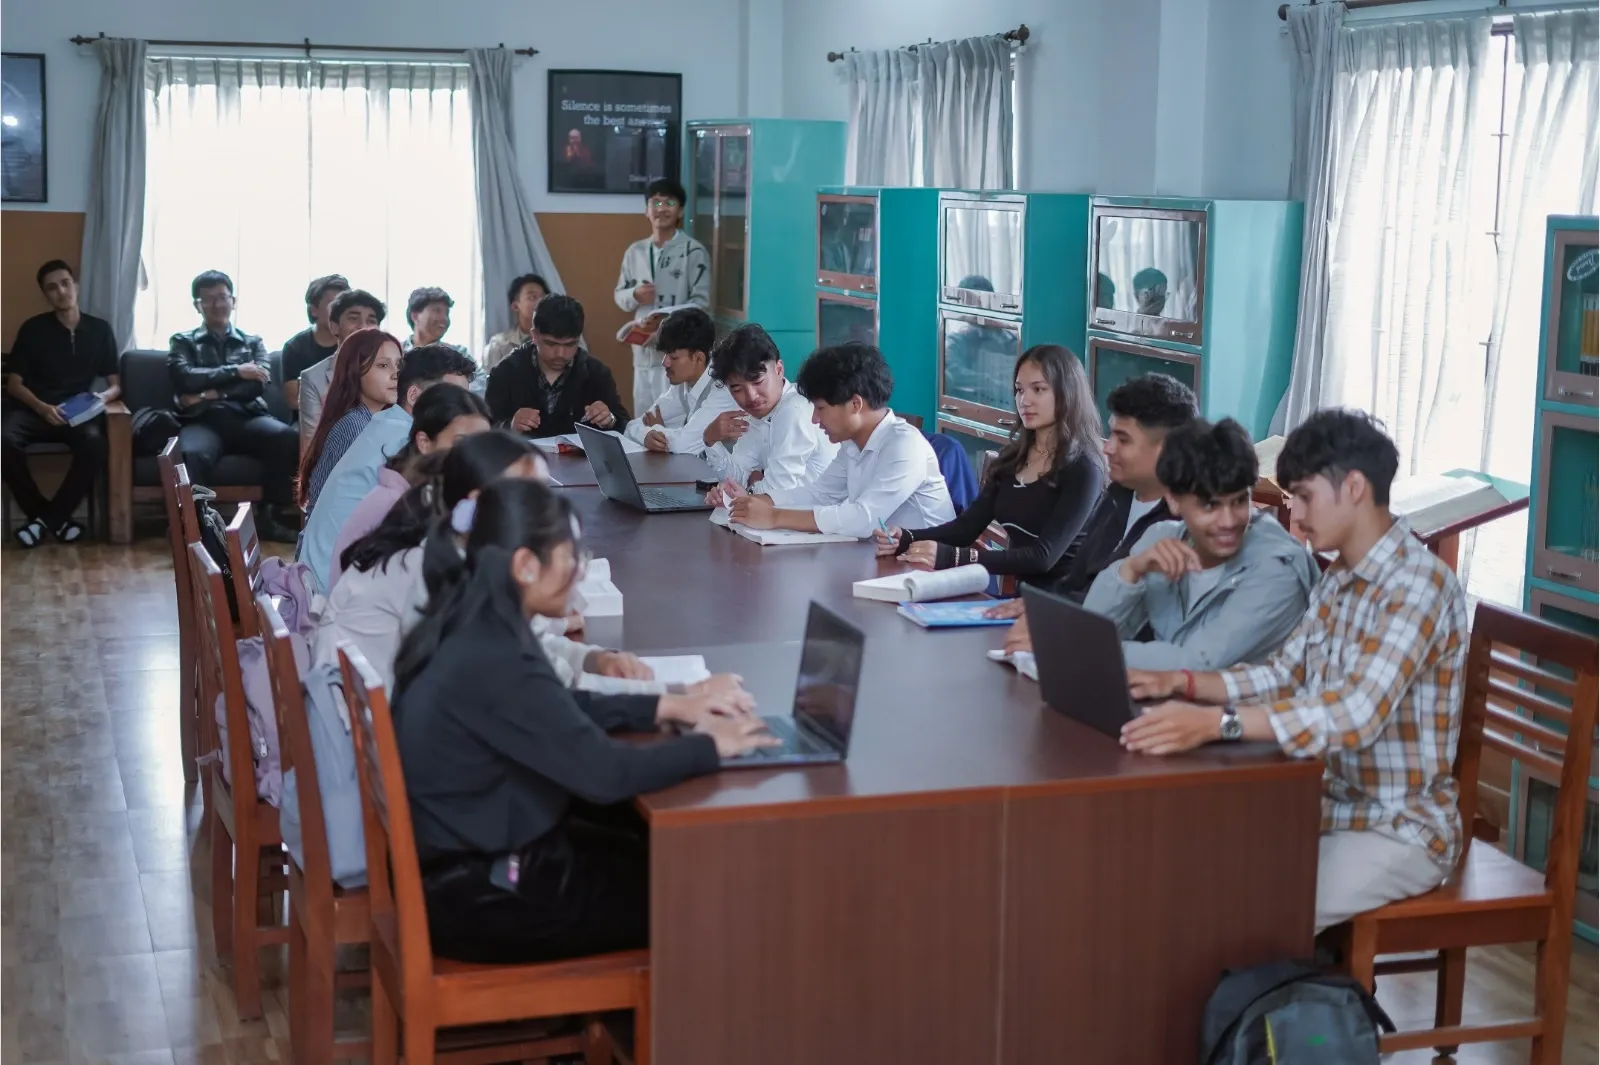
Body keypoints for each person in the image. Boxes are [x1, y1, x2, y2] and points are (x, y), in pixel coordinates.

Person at [391, 478, 775, 964]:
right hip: (485, 894)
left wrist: (668, 704)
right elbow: (605, 774)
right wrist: (711, 746)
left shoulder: (471, 618)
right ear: (525, 565)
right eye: (571, 559)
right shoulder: (496, 653)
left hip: (471, 863)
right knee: (704, 888)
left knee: (656, 846)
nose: (578, 574)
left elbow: (556, 709)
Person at [1121, 410, 1468, 933]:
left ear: (1353, 488)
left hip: (1400, 829)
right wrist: (1184, 684)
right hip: (1329, 805)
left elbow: (1355, 714)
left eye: (1304, 497)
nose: (1295, 516)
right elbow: (1284, 675)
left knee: (1250, 914)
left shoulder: (1416, 586)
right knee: (1184, 866)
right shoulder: (1342, 577)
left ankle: (1292, 1009)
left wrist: (1220, 724)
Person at [1081, 417, 1318, 671]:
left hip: (1246, 708)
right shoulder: (1162, 538)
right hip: (1169, 700)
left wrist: (1094, 648)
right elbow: (1092, 628)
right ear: (1172, 499)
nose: (1228, 521)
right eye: (1209, 505)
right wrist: (1131, 569)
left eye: (1239, 502)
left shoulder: (1280, 568)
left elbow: (1197, 662)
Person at [992, 372, 1197, 653]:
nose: (1108, 448)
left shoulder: (1189, 522)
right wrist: (1044, 606)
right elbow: (1075, 585)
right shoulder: (1117, 496)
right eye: (1111, 433)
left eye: (1123, 439)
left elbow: (1142, 624)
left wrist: (1057, 624)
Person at [874, 345, 1106, 585]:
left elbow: (1042, 557)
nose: (1024, 400)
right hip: (1021, 601)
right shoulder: (1012, 459)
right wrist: (906, 537)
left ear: (1067, 393)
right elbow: (965, 529)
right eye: (1019, 390)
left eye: (1038, 389)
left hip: (1066, 606)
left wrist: (953, 557)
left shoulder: (1085, 467)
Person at [298, 344, 480, 591]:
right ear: (414, 396)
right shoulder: (403, 441)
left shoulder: (390, 424)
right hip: (332, 591)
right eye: (451, 398)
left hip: (328, 576)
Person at [724, 342, 953, 537]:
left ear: (855, 404)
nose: (814, 419)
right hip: (885, 561)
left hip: (926, 571)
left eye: (820, 408)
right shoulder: (852, 444)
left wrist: (775, 517)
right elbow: (821, 494)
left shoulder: (904, 445)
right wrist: (756, 502)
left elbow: (865, 518)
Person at [169, 270, 300, 541]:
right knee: (192, 453)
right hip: (203, 420)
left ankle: (270, 517)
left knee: (287, 437)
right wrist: (237, 370)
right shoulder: (183, 341)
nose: (216, 305)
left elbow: (257, 384)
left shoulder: (253, 342)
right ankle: (196, 523)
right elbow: (183, 378)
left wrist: (209, 393)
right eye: (208, 300)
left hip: (247, 417)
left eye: (222, 297)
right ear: (197, 305)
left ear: (233, 300)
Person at [3, 260, 120, 547]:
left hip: (76, 413)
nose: (61, 291)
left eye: (66, 283)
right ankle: (52, 519)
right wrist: (42, 407)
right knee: (4, 440)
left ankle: (43, 523)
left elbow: (115, 384)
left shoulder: (100, 330)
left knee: (96, 445)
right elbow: (13, 384)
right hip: (34, 409)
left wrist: (102, 398)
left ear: (76, 286)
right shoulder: (33, 329)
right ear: (45, 295)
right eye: (52, 288)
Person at [327, 384, 489, 589]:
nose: (474, 456)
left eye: (482, 444)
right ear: (424, 442)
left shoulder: (430, 491)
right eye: (461, 443)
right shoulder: (395, 502)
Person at [697, 323, 836, 498]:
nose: (751, 396)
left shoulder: (794, 409)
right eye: (737, 389)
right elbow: (738, 476)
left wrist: (747, 490)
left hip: (814, 519)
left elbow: (777, 489)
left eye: (757, 382)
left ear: (778, 370)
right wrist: (710, 440)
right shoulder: (757, 414)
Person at [614, 178, 711, 416]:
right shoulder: (634, 251)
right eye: (655, 202)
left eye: (669, 202)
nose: (662, 208)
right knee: (643, 416)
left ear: (681, 210)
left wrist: (667, 324)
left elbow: (702, 305)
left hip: (677, 354)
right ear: (646, 210)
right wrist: (635, 295)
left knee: (672, 418)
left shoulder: (693, 251)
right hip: (642, 352)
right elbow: (620, 295)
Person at [485, 295, 628, 438]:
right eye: (551, 344)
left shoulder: (596, 373)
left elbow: (625, 426)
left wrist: (610, 420)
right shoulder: (505, 373)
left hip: (581, 460)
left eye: (570, 344)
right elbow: (485, 432)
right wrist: (510, 426)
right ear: (534, 335)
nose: (561, 354)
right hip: (523, 458)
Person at [297, 329, 402, 512]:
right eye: (383, 366)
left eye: (399, 365)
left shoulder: (377, 420)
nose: (396, 374)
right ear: (355, 371)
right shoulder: (354, 425)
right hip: (336, 537)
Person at [622, 307, 739, 456]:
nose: (665, 363)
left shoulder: (721, 390)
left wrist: (657, 429)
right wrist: (647, 435)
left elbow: (682, 446)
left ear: (699, 358)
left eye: (674, 357)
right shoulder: (683, 384)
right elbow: (633, 426)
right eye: (665, 355)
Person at [299, 288, 387, 450]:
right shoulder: (313, 378)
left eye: (371, 320)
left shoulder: (394, 372)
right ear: (334, 327)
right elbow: (310, 445)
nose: (363, 327)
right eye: (354, 318)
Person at [281, 274, 349, 414]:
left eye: (343, 305)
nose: (339, 311)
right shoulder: (295, 347)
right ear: (314, 310)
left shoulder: (354, 343)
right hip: (309, 419)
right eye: (333, 305)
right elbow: (294, 400)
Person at [482, 273, 548, 374]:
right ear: (515, 306)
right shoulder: (499, 345)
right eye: (532, 297)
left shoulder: (564, 342)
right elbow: (489, 385)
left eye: (544, 298)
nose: (540, 302)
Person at [405, 286, 463, 352]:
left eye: (447, 313)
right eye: (437, 311)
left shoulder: (459, 354)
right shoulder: (395, 352)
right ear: (415, 316)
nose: (444, 319)